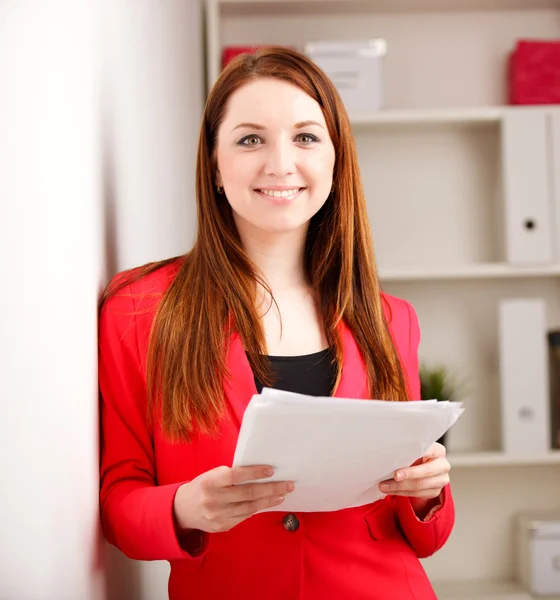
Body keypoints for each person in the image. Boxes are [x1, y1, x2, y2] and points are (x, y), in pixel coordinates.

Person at [98, 46, 454, 600]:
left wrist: (427, 491)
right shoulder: (141, 310)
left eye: (306, 137)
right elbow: (119, 502)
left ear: (336, 162)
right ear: (214, 165)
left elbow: (425, 538)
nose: (280, 163)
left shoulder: (389, 319)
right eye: (249, 139)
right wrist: (184, 507)